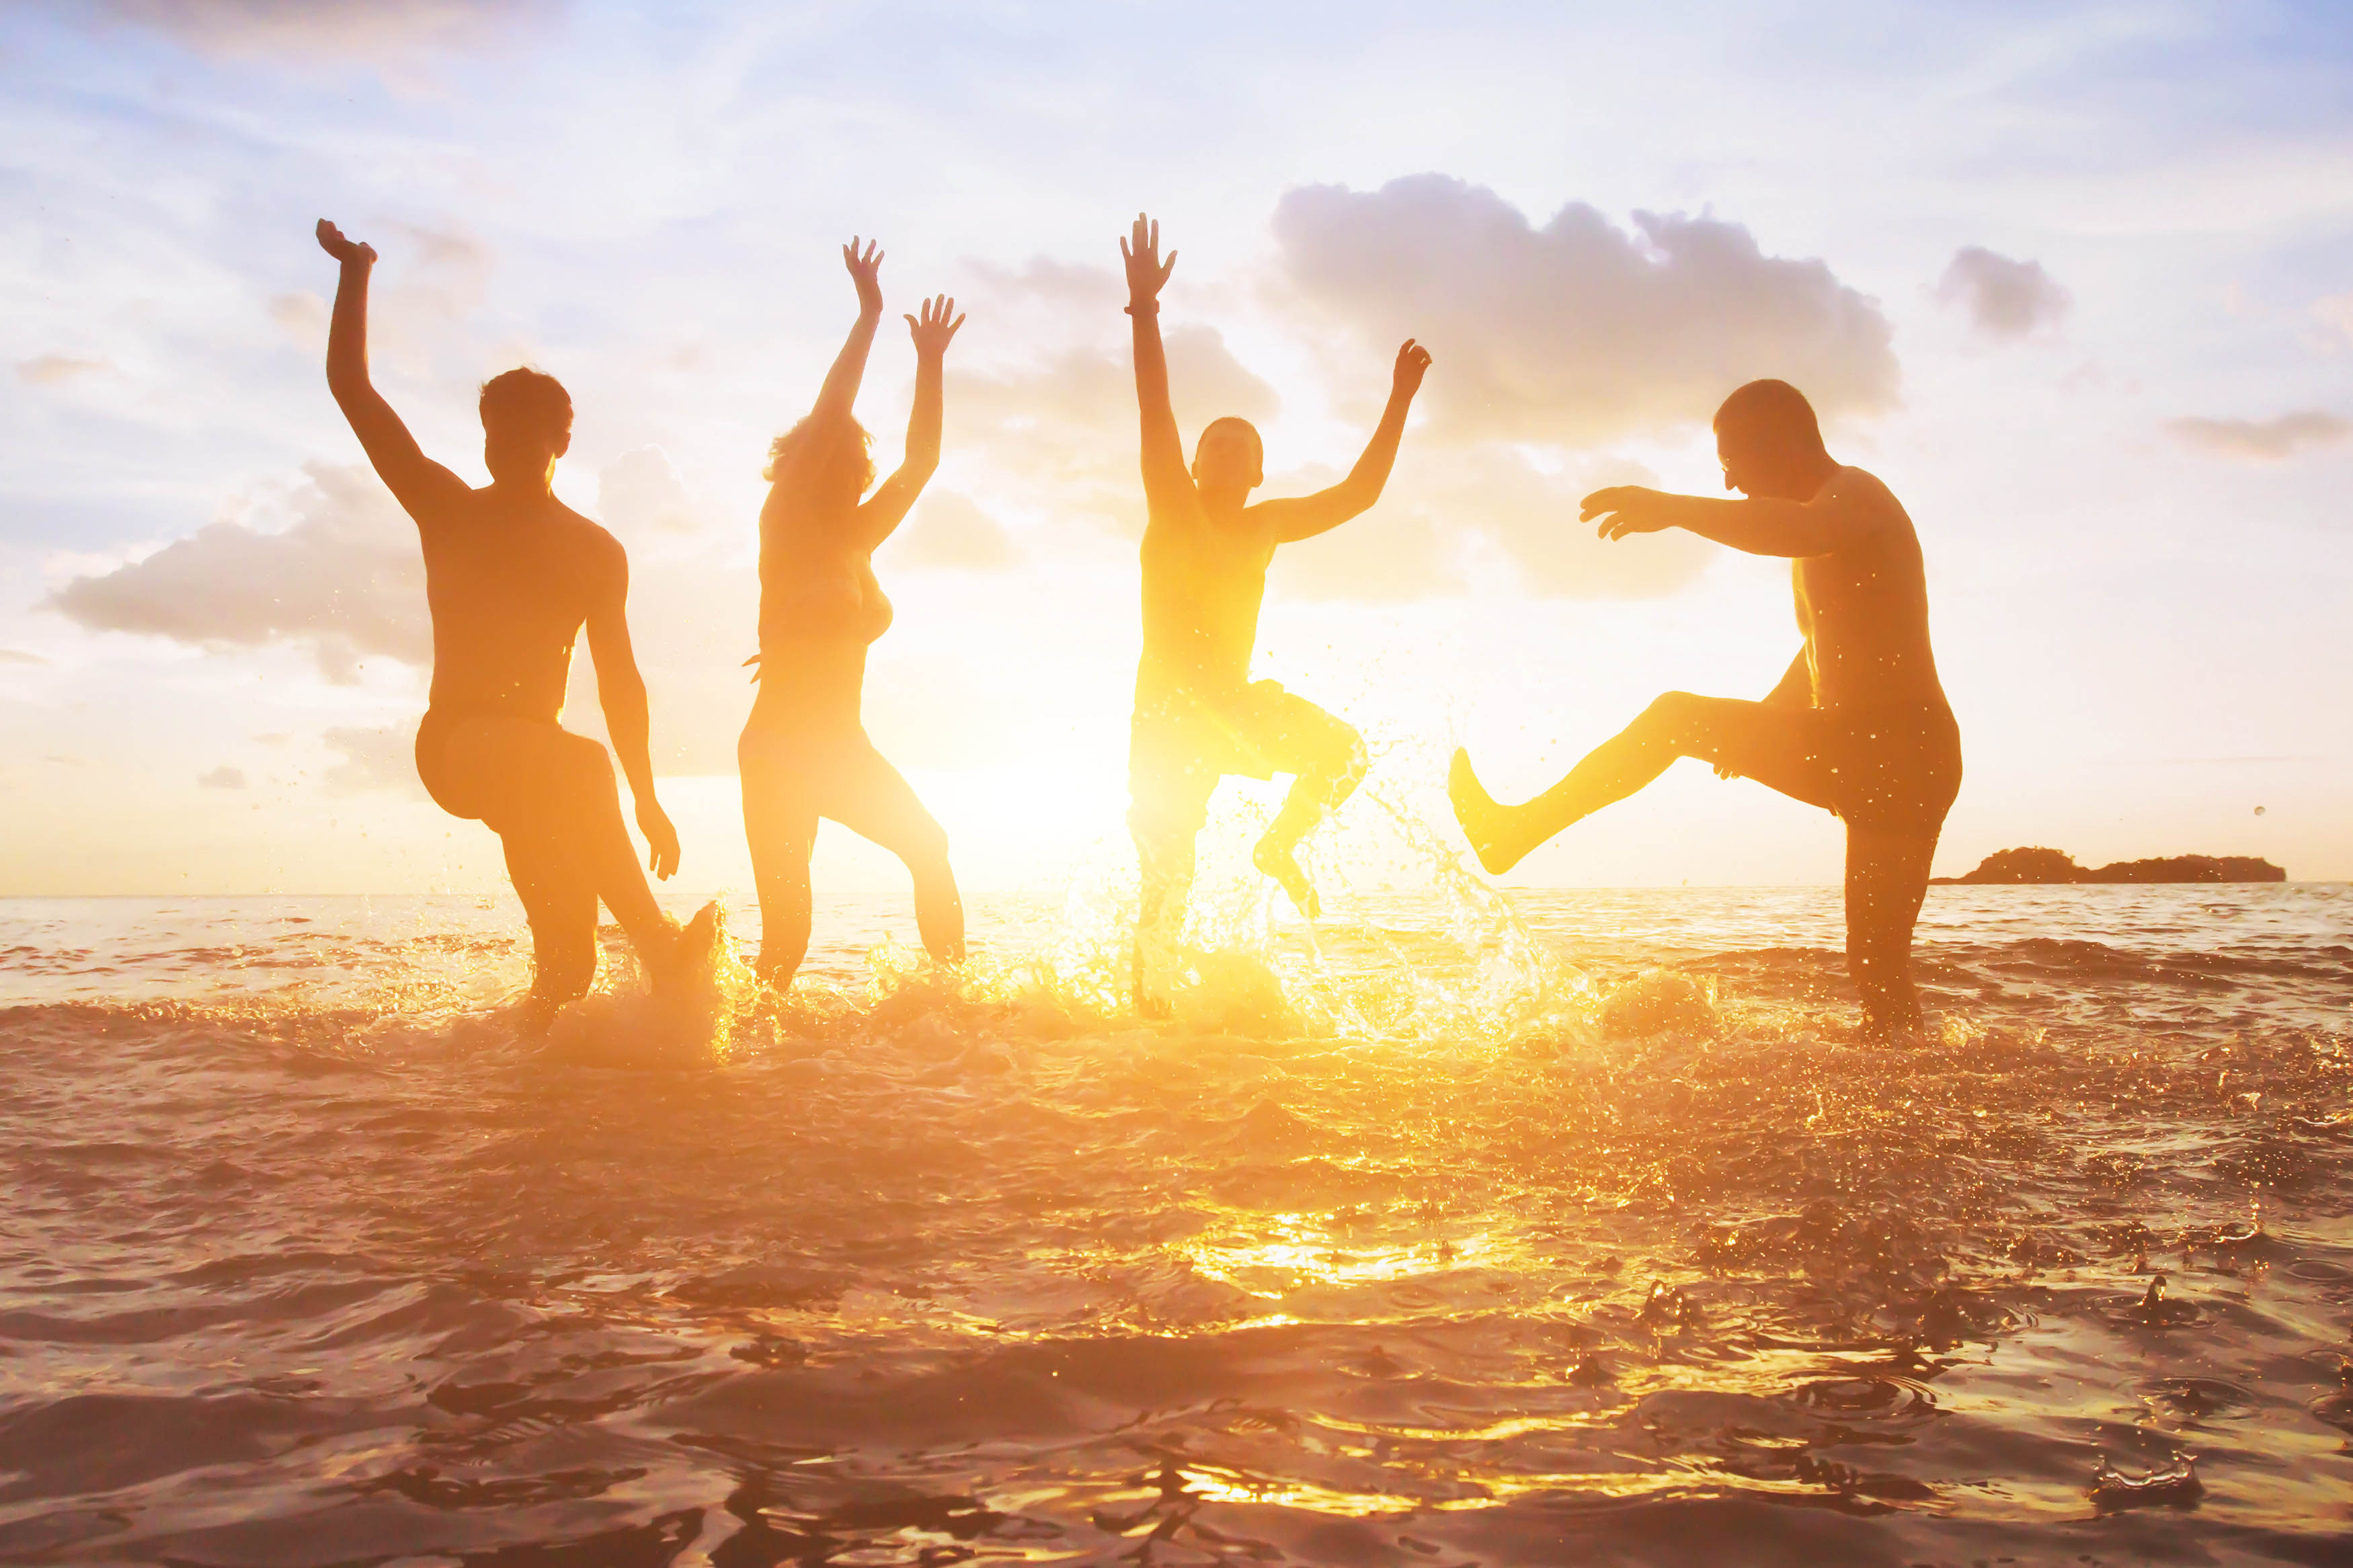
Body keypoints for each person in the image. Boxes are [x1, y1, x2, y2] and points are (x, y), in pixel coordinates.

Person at [1448, 379, 1961, 1036]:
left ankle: (1511, 833)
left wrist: (1670, 507)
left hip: (1895, 745)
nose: (1726, 482)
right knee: (1875, 971)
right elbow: (1821, 646)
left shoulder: (1852, 495)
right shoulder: (1823, 521)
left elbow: (1801, 531)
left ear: (1775, 442)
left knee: (1675, 718)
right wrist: (1768, 716)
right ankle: (1909, 1092)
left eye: (1730, 461)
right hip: (1871, 747)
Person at [315, 219, 715, 1030]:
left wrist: (649, 802)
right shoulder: (449, 511)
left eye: (519, 433)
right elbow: (353, 391)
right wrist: (356, 274)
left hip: (541, 773)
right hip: (460, 744)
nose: (500, 446)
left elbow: (620, 682)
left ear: (560, 441)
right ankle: (659, 941)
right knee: (577, 762)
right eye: (491, 431)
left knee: (569, 966)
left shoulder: (597, 552)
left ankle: (524, 1088)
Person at [1119, 212, 1431, 992]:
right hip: (1164, 719)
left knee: (1344, 754)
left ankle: (1275, 846)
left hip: (1234, 705)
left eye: (1243, 448)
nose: (1225, 452)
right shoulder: (1173, 509)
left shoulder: (1265, 526)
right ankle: (1145, 1020)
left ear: (1258, 474)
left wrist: (1397, 397)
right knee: (1167, 879)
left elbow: (1358, 494)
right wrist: (1145, 309)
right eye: (1213, 444)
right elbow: (1153, 409)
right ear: (1190, 465)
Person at [738, 239, 967, 988]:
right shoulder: (785, 526)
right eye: (830, 459)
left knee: (927, 845)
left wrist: (930, 360)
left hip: (841, 746)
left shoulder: (858, 539)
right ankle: (718, 1065)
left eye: (853, 463)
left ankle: (954, 1004)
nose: (849, 471)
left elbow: (923, 462)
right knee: (788, 939)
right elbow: (831, 406)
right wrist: (868, 314)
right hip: (777, 752)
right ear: (800, 467)